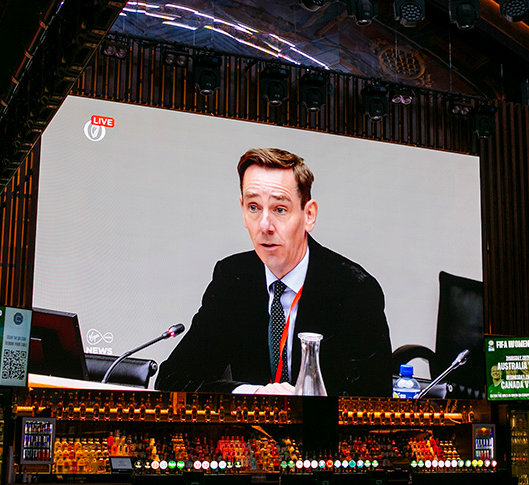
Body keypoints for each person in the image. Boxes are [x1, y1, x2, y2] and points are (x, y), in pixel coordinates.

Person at [155, 148, 392, 396]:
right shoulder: (233, 279)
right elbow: (173, 380)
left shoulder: (354, 290)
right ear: (242, 210)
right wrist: (256, 395)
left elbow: (375, 403)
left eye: (280, 209)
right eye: (254, 207)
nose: (265, 225)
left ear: (309, 215)